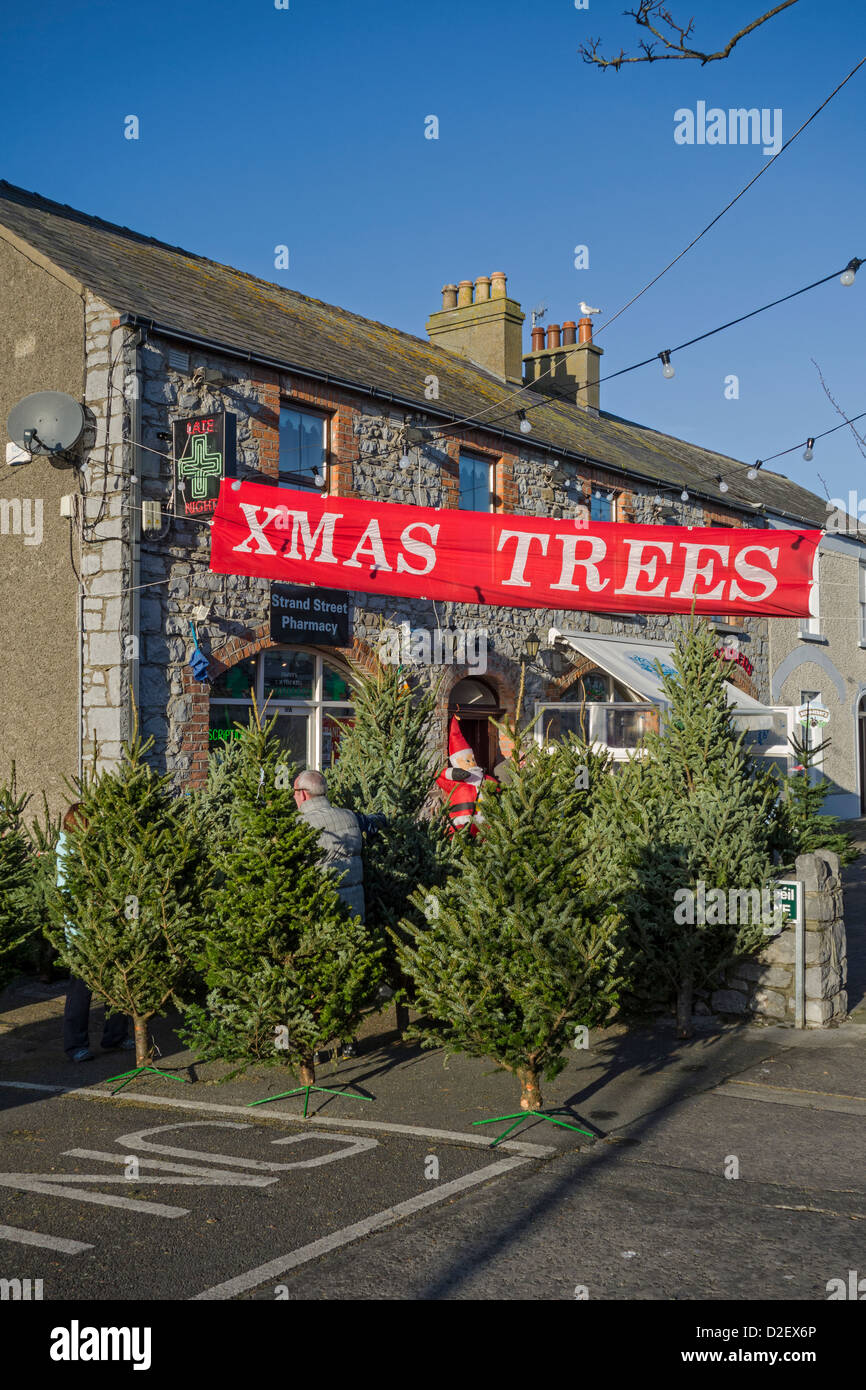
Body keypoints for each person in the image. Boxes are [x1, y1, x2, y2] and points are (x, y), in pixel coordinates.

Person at [58, 803, 133, 1063]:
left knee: (118, 984)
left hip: (109, 929)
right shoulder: (67, 852)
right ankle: (75, 1045)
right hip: (82, 936)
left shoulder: (102, 848)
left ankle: (116, 1036)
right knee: (81, 990)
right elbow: (68, 895)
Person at [292, 770, 365, 922]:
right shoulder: (350, 816)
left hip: (325, 913)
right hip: (356, 909)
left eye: (295, 792)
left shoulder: (301, 825)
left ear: (303, 794)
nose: (293, 796)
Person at [435, 717, 496, 835]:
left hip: (485, 821)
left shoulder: (484, 778)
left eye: (472, 759)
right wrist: (453, 773)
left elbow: (498, 788)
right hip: (461, 821)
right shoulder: (458, 783)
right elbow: (438, 776)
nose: (472, 762)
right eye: (467, 760)